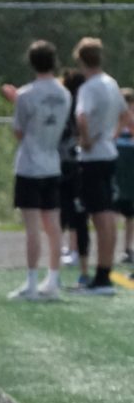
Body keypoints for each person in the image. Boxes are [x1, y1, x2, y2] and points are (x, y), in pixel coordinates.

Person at [2, 40, 71, 301]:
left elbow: (19, 131)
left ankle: (31, 282)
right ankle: (53, 279)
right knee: (53, 225)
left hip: (30, 165)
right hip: (52, 162)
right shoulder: (65, 93)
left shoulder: (27, 94)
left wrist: (16, 101)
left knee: (32, 226)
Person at [71, 36, 127, 295]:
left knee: (100, 216)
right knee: (108, 216)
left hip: (93, 158)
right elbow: (125, 115)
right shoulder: (111, 83)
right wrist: (112, 135)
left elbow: (82, 116)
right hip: (109, 153)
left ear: (81, 60)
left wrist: (86, 140)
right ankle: (105, 271)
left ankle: (102, 279)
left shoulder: (89, 87)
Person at [56, 69, 90, 282]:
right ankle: (84, 272)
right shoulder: (83, 107)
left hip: (60, 167)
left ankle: (55, 273)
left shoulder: (64, 107)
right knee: (81, 220)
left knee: (59, 219)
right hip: (81, 168)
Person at [114, 88, 134, 265]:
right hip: (117, 171)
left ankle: (128, 248)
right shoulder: (114, 122)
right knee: (112, 212)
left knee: (130, 215)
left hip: (131, 173)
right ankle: (111, 248)